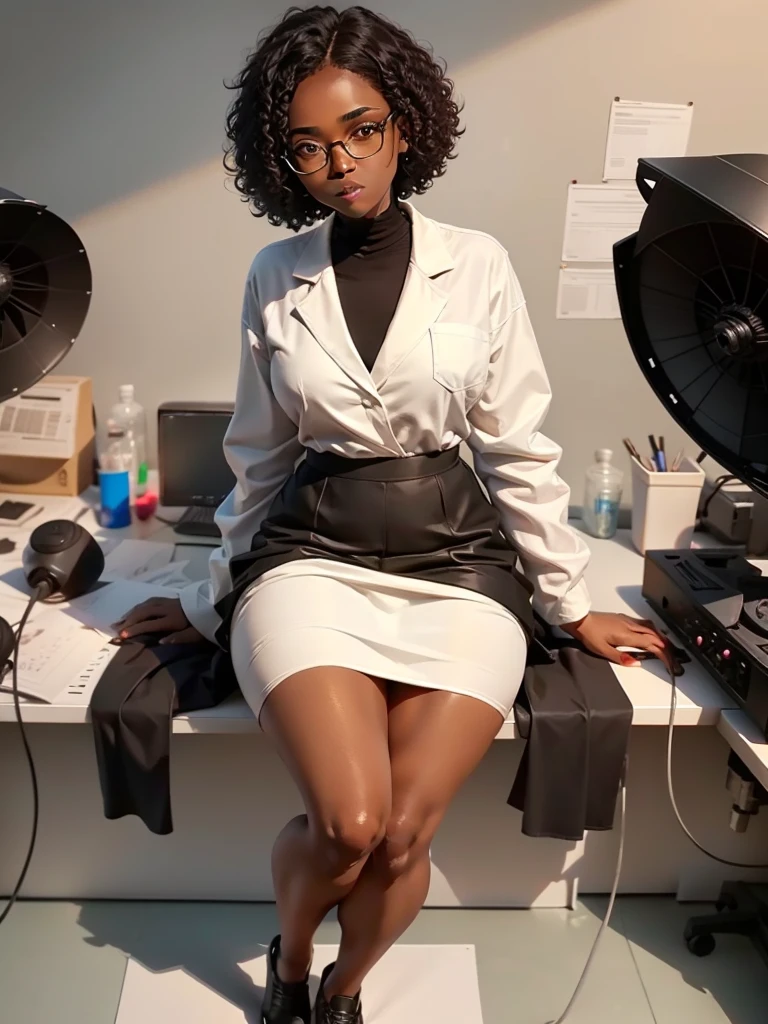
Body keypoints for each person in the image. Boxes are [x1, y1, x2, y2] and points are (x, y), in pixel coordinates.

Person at [116, 7, 674, 1023]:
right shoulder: (274, 275)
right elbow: (258, 459)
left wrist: (569, 600)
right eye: (310, 145)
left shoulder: (481, 265)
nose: (340, 161)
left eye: (362, 129)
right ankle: (290, 969)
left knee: (406, 831)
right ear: (284, 160)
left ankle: (343, 990)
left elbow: (517, 449)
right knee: (349, 822)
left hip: (458, 563)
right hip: (311, 559)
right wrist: (207, 602)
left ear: (405, 125)